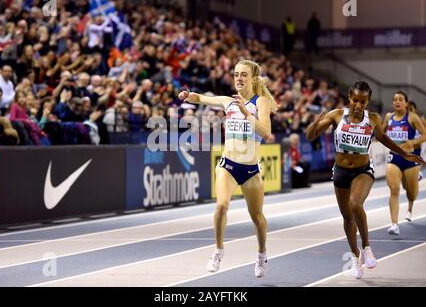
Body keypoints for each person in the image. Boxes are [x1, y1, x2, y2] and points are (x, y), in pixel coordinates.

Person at [306, 81, 424, 279]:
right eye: (355, 100)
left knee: (355, 204)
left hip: (363, 170)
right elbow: (310, 135)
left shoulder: (374, 119)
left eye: (363, 101)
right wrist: (315, 123)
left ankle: (367, 247)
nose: (358, 105)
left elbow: (385, 139)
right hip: (341, 171)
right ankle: (354, 256)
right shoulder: (336, 115)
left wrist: (405, 154)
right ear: (349, 99)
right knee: (347, 217)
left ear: (367, 101)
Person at [178, 60, 279, 278]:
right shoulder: (227, 101)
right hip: (228, 166)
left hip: (251, 170)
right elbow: (202, 98)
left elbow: (265, 133)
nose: (239, 78)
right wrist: (189, 96)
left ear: (253, 79)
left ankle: (262, 255)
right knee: (221, 205)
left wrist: (246, 113)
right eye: (235, 74)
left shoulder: (259, 102)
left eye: (244, 74)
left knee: (257, 217)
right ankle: (218, 251)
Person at [382, 92, 426, 235]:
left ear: (406, 103)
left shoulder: (412, 117)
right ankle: (394, 224)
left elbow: (425, 134)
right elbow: (380, 133)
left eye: (400, 100)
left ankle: (410, 206)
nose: (397, 102)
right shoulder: (389, 117)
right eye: (394, 100)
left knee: (411, 193)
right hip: (394, 157)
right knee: (394, 188)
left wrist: (412, 142)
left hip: (410, 158)